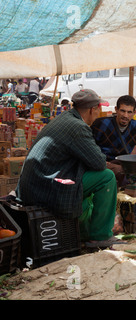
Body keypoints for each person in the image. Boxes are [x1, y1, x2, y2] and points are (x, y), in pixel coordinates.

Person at [16, 89, 123, 248]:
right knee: (106, 177)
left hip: (35, 185)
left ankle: (86, 233)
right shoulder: (77, 127)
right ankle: (100, 236)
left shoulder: (66, 118)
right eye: (98, 109)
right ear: (93, 109)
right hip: (45, 188)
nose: (98, 113)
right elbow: (99, 163)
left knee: (88, 189)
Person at [91, 95, 136, 186]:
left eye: (129, 112)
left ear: (134, 112)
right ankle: (135, 180)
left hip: (126, 163)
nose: (125, 116)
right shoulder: (101, 124)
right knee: (121, 171)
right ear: (116, 109)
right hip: (107, 164)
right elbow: (89, 146)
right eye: (122, 111)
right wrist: (100, 160)